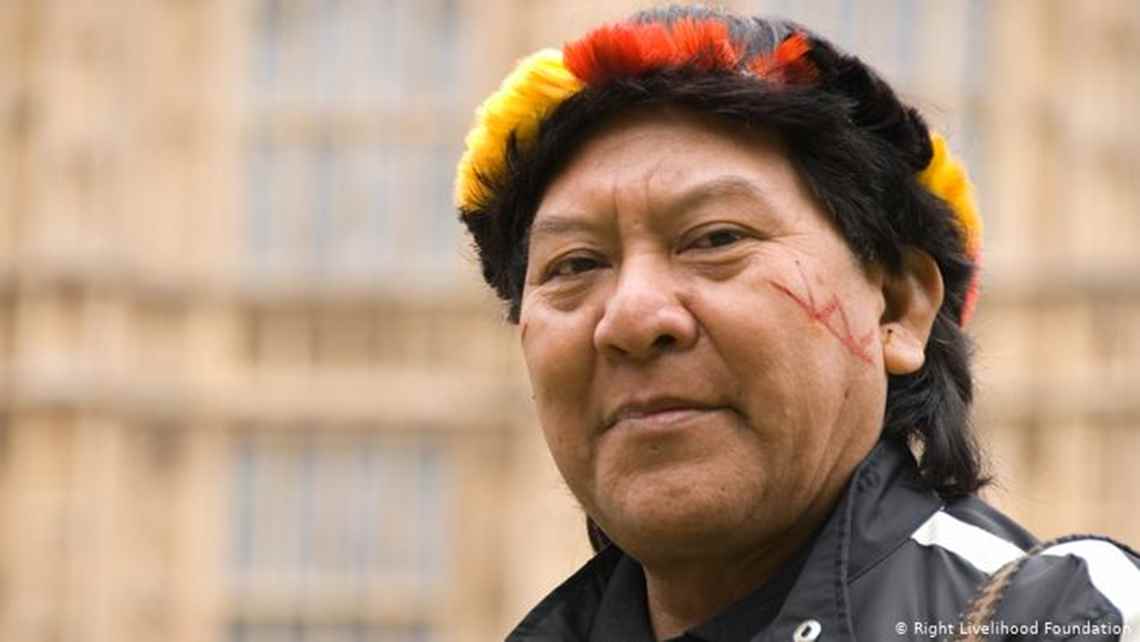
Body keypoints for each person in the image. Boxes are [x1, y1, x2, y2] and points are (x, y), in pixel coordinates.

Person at [453, 6, 1140, 641]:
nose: (631, 317)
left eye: (716, 238)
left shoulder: (1075, 619)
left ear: (897, 308)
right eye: (574, 265)